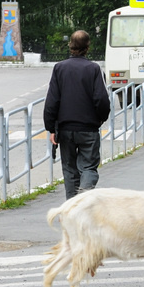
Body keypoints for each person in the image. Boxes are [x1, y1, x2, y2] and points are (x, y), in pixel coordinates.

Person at [44, 30, 112, 199]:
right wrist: (101, 118)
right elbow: (102, 99)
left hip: (65, 128)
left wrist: (51, 128)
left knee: (69, 170)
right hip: (89, 128)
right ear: (88, 47)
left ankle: (72, 205)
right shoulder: (94, 69)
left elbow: (52, 100)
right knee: (88, 167)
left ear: (70, 45)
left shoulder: (59, 68)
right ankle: (84, 196)